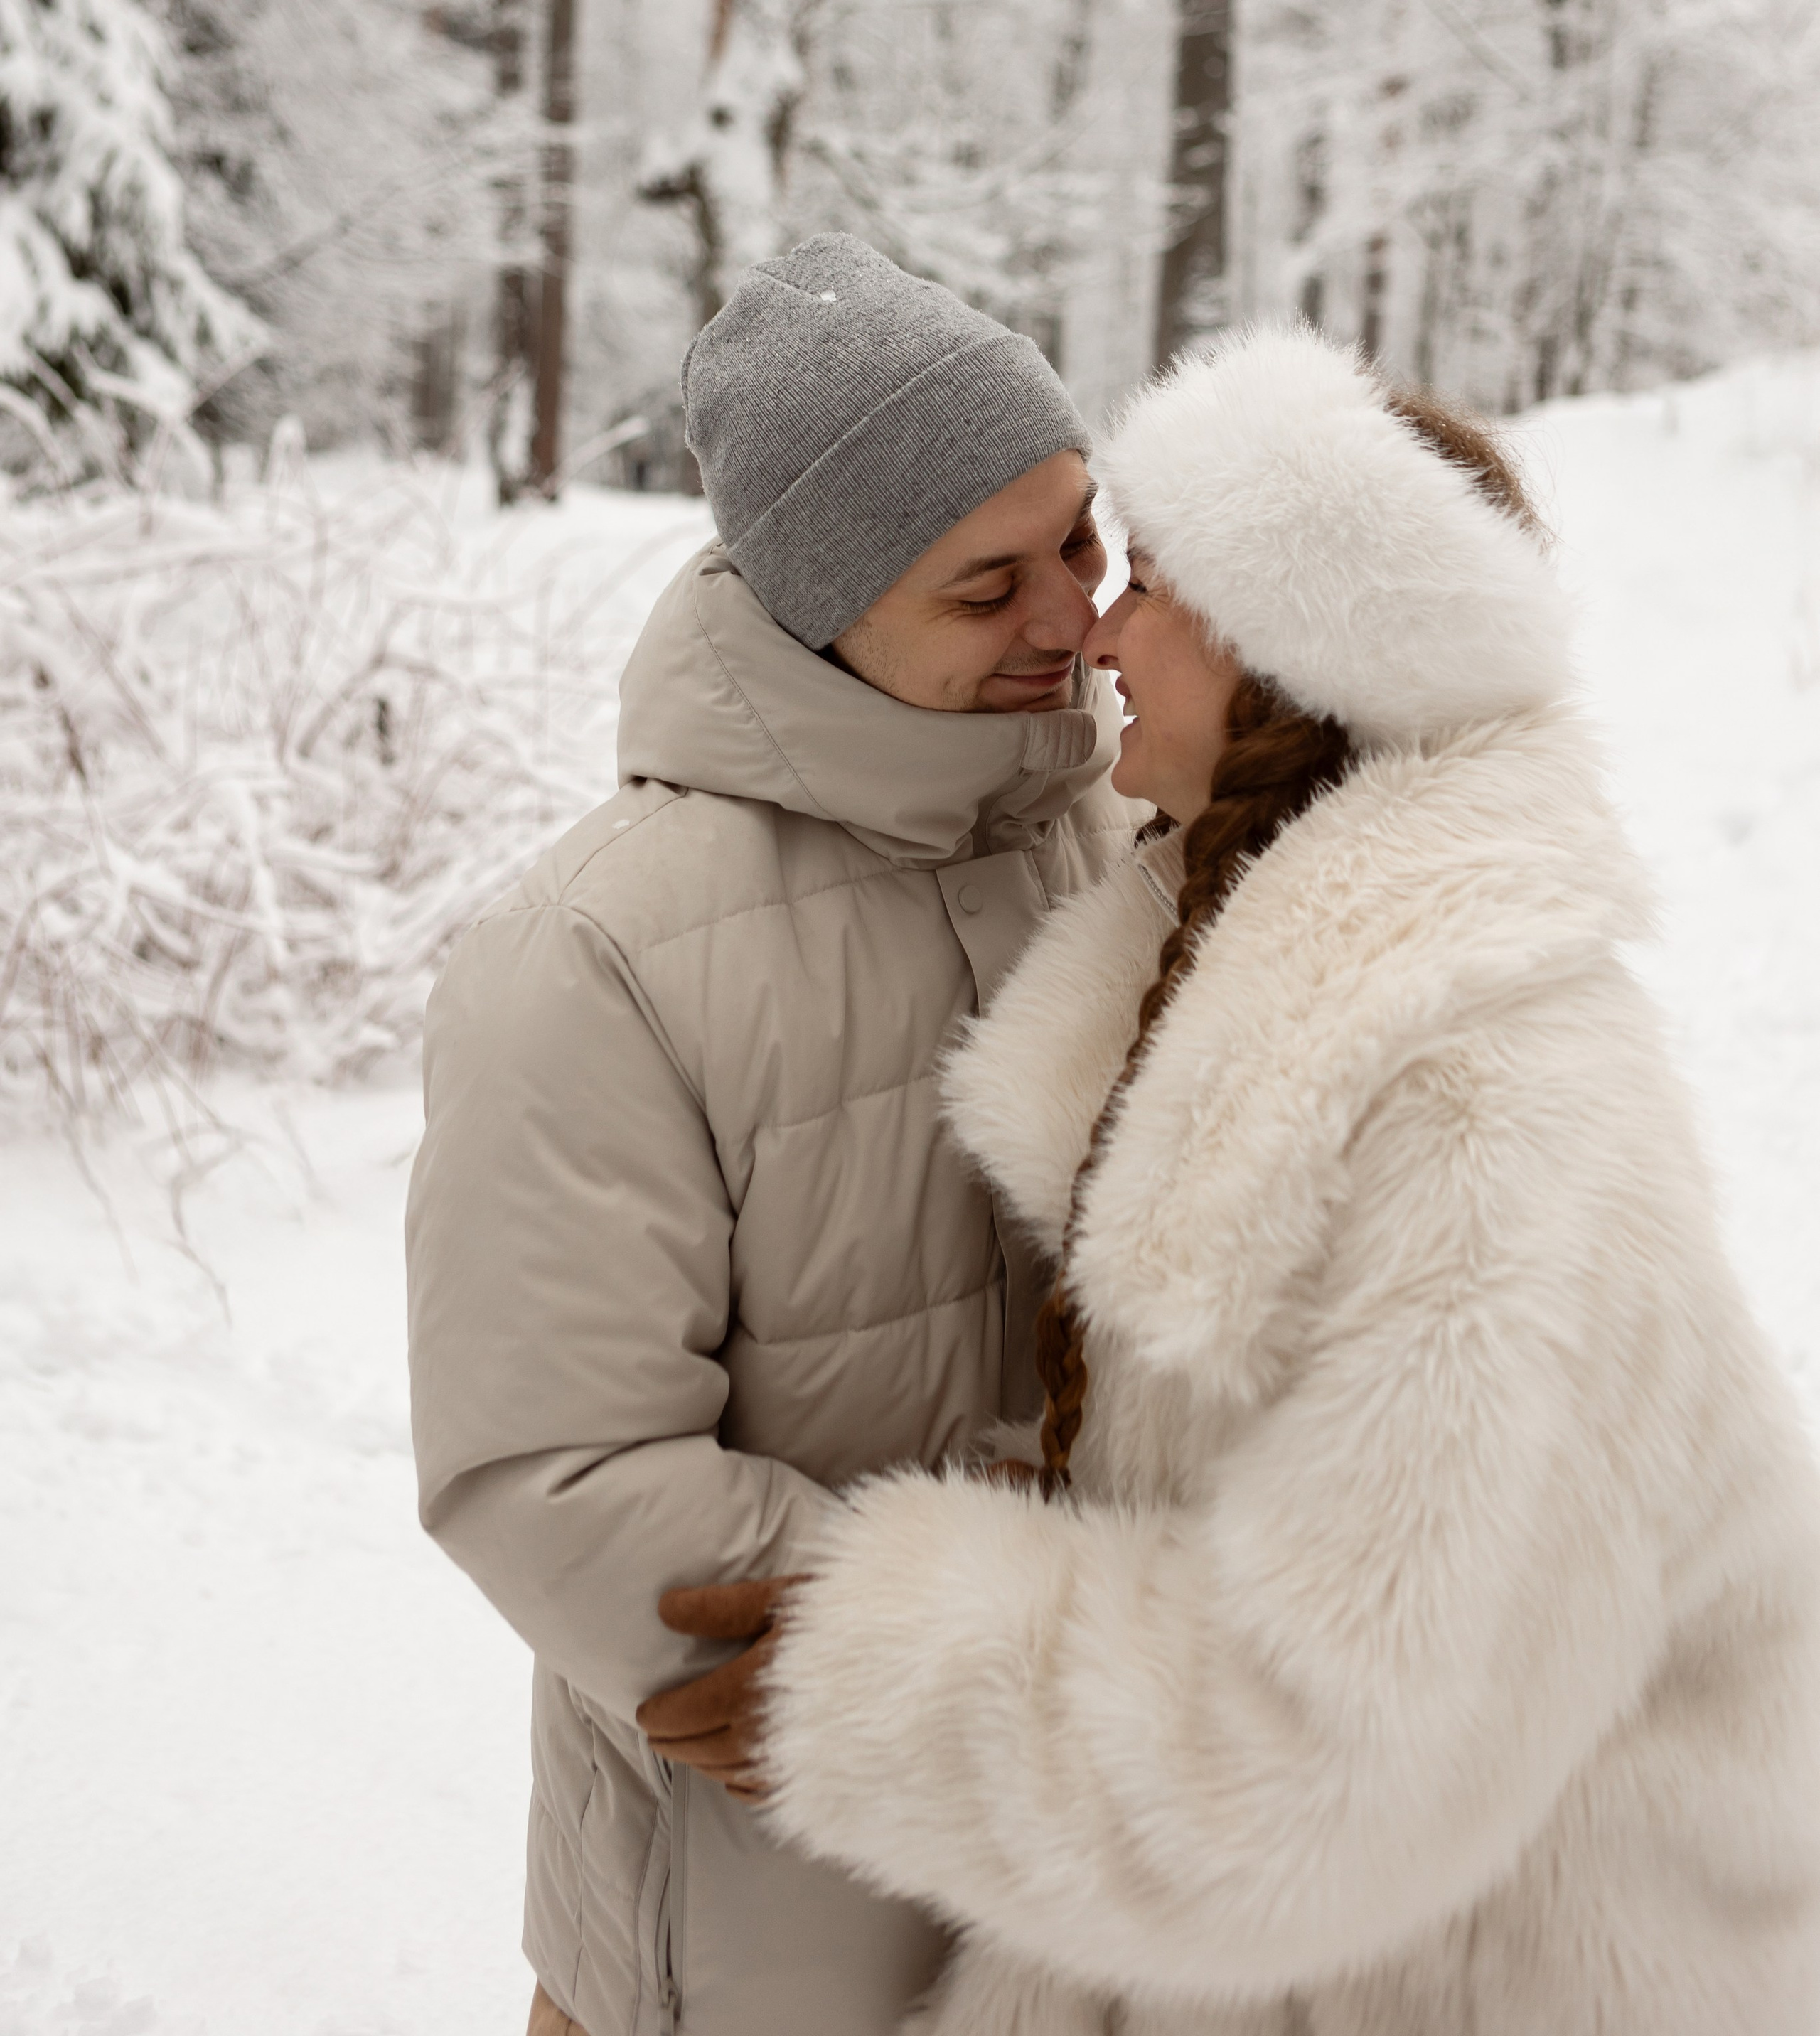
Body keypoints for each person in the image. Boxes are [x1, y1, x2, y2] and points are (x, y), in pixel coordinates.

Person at [641, 326, 1820, 2036]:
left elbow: (1324, 1765)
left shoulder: (1494, 1116)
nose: (1098, 630)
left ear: (1300, 654)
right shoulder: (1238, 968)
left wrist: (881, 1673)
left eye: (1158, 585)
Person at [404, 235, 1134, 2036]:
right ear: (826, 608)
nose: (1070, 617)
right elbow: (548, 1466)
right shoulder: (595, 955)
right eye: (986, 588)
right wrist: (929, 1649)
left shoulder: (1119, 842)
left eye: (1081, 539)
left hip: (1104, 1879)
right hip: (769, 1917)